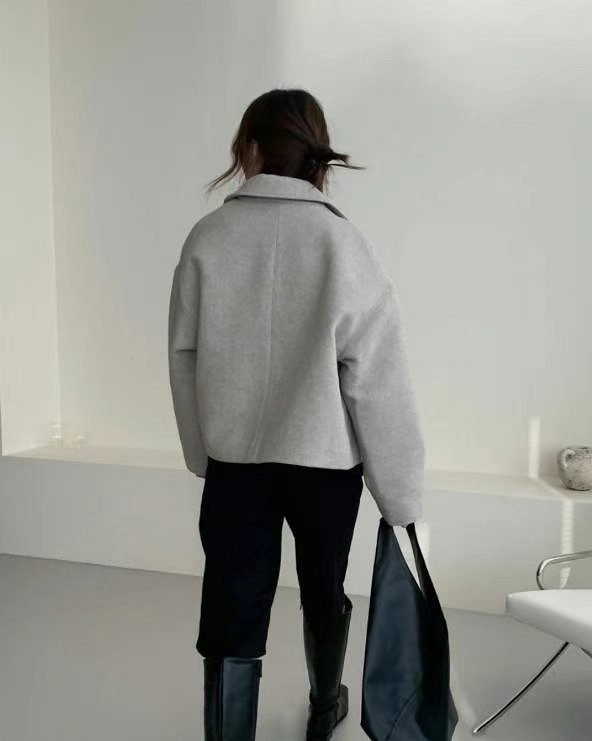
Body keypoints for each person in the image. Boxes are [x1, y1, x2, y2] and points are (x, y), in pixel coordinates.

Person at [168, 88, 425, 741]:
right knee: (324, 590)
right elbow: (377, 377)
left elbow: (184, 357)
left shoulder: (208, 237)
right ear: (315, 155)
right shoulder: (344, 243)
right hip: (324, 464)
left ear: (250, 147)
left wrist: (203, 452)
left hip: (236, 462)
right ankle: (323, 706)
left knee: (231, 602)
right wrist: (400, 493)